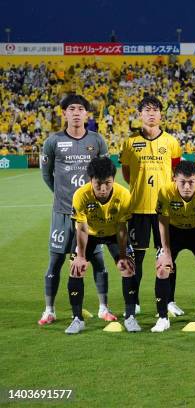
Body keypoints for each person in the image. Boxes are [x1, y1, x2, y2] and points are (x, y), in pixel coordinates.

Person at [39, 94, 115, 326]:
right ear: (64, 113)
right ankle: (49, 310)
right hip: (62, 213)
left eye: (80, 109)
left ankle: (103, 307)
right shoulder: (52, 142)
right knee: (56, 261)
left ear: (86, 114)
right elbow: (46, 174)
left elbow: (105, 172)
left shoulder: (97, 140)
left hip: (91, 214)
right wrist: (62, 196)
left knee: (98, 261)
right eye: (71, 109)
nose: (75, 112)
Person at [120, 96, 182, 316]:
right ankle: (134, 302)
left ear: (161, 114)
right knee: (137, 258)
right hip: (138, 209)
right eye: (147, 110)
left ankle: (169, 301)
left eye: (155, 110)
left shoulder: (171, 142)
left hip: (165, 211)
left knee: (167, 255)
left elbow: (176, 173)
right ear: (140, 114)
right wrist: (140, 188)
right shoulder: (129, 142)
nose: (151, 114)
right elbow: (127, 173)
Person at [66, 157, 138, 334]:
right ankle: (77, 319)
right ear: (91, 180)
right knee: (76, 269)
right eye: (98, 184)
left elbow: (122, 227)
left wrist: (122, 255)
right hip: (89, 234)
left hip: (114, 233)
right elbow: (81, 228)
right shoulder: (80, 195)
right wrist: (81, 257)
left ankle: (130, 317)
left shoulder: (124, 195)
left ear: (114, 179)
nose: (103, 189)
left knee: (128, 267)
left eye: (108, 183)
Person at [152, 161, 195, 332]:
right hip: (173, 232)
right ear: (174, 179)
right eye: (182, 182)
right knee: (162, 268)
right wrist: (166, 252)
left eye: (192, 182)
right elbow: (162, 223)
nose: (187, 187)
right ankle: (162, 318)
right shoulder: (165, 192)